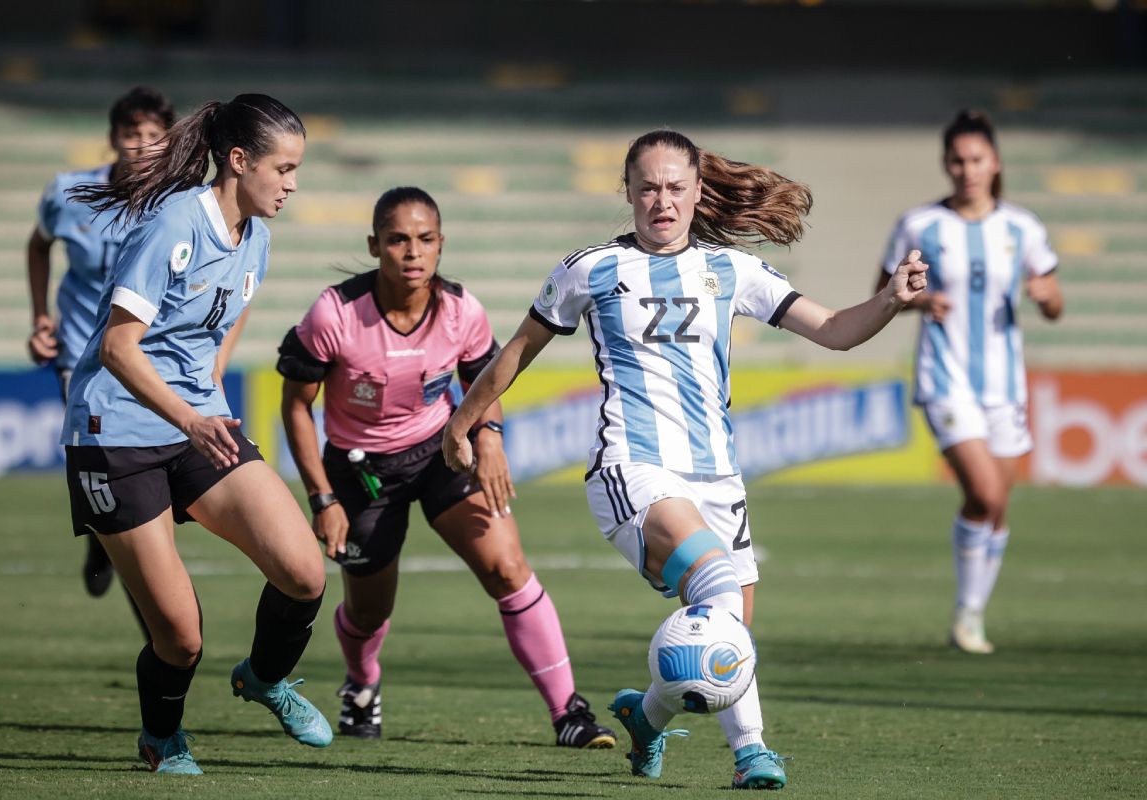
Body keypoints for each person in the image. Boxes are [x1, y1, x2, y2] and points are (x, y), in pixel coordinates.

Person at [443, 129, 928, 790]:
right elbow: (516, 353)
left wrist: (891, 301)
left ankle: (645, 721)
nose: (661, 202)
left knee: (728, 640)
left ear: (698, 192)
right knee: (720, 587)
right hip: (632, 468)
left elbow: (838, 330)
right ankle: (753, 753)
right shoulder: (592, 269)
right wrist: (463, 424)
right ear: (629, 193)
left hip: (718, 480)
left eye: (675, 188)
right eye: (648, 188)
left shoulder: (732, 271)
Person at [277, 186, 617, 750]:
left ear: (441, 245)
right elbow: (295, 405)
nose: (412, 252)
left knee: (507, 567)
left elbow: (484, 385)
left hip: (441, 453)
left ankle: (569, 713)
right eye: (397, 240)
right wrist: (322, 498)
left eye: (425, 239)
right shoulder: (334, 314)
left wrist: (490, 439)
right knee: (368, 610)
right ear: (375, 245)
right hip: (362, 473)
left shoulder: (463, 310)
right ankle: (362, 685)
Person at [63, 94, 332, 774]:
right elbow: (121, 349)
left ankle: (266, 679)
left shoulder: (259, 239)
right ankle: (162, 738)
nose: (292, 184)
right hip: (115, 433)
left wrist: (204, 391)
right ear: (239, 161)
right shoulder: (176, 223)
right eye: (284, 168)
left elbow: (227, 316)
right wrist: (188, 414)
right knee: (180, 639)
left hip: (196, 425)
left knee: (303, 571)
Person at [875, 110, 1064, 655]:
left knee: (998, 505)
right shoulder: (920, 225)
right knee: (982, 493)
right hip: (945, 379)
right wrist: (921, 299)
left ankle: (971, 613)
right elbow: (884, 292)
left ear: (995, 163)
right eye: (956, 160)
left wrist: (1048, 298)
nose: (966, 169)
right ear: (945, 165)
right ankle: (967, 613)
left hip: (1005, 386)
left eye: (976, 159)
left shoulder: (1022, 228)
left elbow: (1053, 301)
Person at [27, 86, 174, 614]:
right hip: (83, 359)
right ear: (112, 138)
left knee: (145, 475)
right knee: (114, 464)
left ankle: (104, 532)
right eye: (131, 134)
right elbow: (39, 243)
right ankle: (152, 616)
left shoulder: (177, 204)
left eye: (154, 136)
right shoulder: (69, 192)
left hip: (147, 357)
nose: (141, 145)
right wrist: (40, 315)